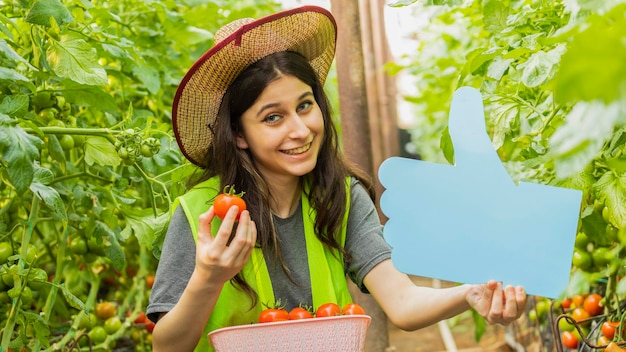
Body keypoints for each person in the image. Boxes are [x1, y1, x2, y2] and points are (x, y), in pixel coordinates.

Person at [147, 5, 527, 352]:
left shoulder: (339, 196)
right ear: (239, 135)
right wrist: (209, 278)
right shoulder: (205, 214)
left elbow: (402, 303)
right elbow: (166, 347)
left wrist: (472, 293)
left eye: (305, 105)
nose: (301, 130)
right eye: (273, 118)